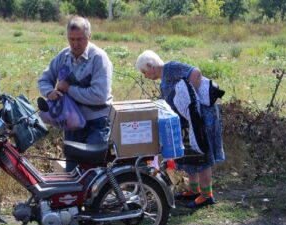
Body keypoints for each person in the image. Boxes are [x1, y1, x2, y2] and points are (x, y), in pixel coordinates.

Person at [135, 50, 225, 209]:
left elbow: (196, 73)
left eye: (144, 72)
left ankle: (207, 195)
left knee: (203, 153)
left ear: (150, 65)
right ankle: (194, 190)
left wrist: (193, 103)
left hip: (202, 116)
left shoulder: (171, 68)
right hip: (189, 119)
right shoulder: (164, 77)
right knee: (191, 153)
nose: (145, 76)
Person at [38, 16, 113, 172]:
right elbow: (44, 79)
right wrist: (50, 92)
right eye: (71, 39)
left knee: (91, 172)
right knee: (72, 172)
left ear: (89, 37)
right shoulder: (63, 56)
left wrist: (68, 89)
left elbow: (100, 95)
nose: (75, 44)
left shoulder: (99, 58)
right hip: (71, 123)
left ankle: (95, 196)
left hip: (96, 122)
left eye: (80, 39)